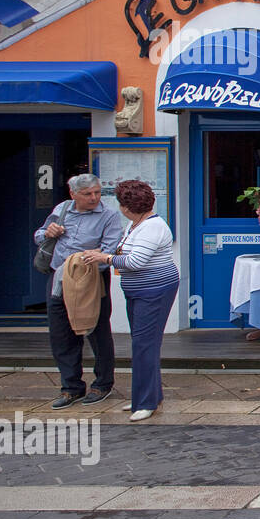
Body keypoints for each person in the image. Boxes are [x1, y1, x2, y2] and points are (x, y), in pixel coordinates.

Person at [81, 180, 180, 422]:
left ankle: (145, 402)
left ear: (126, 207)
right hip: (140, 290)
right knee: (144, 344)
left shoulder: (151, 228)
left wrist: (104, 258)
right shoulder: (136, 224)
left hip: (154, 291)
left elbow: (135, 262)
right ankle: (147, 396)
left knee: (143, 346)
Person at [34, 173, 124, 409]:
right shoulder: (62, 209)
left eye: (97, 192)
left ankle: (103, 383)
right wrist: (48, 233)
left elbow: (109, 252)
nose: (94, 197)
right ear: (73, 194)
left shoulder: (109, 215)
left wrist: (87, 258)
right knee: (61, 333)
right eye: (87, 194)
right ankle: (71, 387)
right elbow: (38, 236)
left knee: (97, 331)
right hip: (59, 277)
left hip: (91, 278)